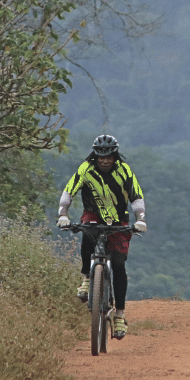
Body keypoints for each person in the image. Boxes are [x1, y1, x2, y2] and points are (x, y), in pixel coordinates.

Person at [57, 134, 147, 339]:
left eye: (109, 156)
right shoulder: (86, 169)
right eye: (101, 156)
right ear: (95, 156)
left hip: (119, 220)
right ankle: (87, 278)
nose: (105, 160)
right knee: (87, 232)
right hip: (93, 214)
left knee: (118, 264)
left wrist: (140, 219)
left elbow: (137, 196)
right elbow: (68, 191)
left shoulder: (124, 171)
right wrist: (63, 214)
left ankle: (120, 315)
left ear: (115, 156)